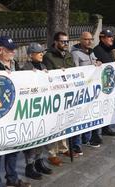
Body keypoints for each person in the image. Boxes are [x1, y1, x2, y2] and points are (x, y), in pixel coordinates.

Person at [0, 36, 30, 187]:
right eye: (10, 50)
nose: (13, 52)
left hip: (15, 114)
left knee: (13, 148)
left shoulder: (14, 64)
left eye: (13, 49)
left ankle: (12, 178)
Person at [42, 31, 76, 166]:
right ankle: (52, 153)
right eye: (63, 42)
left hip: (67, 94)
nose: (65, 44)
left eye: (67, 42)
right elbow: (48, 76)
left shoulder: (68, 54)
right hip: (55, 95)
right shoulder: (48, 56)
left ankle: (63, 148)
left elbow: (73, 69)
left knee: (64, 122)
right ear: (56, 42)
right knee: (54, 124)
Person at [21, 43, 53, 180]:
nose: (41, 54)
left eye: (42, 52)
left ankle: (40, 162)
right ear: (30, 55)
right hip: (32, 111)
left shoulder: (44, 66)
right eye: (38, 52)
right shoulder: (25, 69)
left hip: (43, 109)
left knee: (42, 138)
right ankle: (29, 166)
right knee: (32, 142)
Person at [70, 31, 102, 155]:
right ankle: (76, 144)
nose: (89, 41)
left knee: (88, 115)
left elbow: (95, 64)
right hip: (80, 91)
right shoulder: (75, 53)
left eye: (91, 39)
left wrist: (98, 63)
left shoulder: (91, 52)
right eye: (87, 39)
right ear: (81, 40)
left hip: (91, 90)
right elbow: (75, 71)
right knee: (79, 117)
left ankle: (87, 139)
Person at [93, 29, 115, 136]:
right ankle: (96, 132)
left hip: (110, 83)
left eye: (111, 36)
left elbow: (111, 63)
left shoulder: (109, 49)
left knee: (108, 106)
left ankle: (106, 127)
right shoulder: (97, 50)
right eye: (109, 37)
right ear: (102, 38)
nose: (111, 38)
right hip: (101, 84)